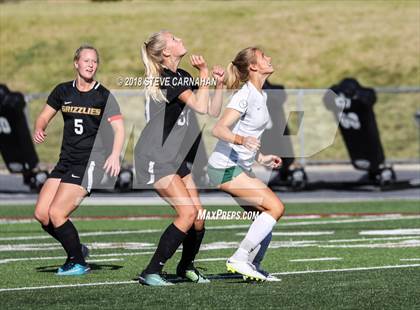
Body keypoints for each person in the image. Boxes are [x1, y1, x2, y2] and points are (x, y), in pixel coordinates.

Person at [135, 30, 224, 286]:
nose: (179, 39)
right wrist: (205, 73)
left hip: (175, 158)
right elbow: (198, 106)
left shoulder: (181, 76)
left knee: (198, 217)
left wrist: (216, 84)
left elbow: (210, 109)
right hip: (155, 156)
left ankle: (186, 267)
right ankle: (151, 271)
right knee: (186, 214)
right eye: (173, 39)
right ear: (166, 52)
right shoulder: (167, 79)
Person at [33, 45, 125, 276]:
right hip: (65, 161)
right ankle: (77, 249)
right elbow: (44, 116)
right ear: (76, 63)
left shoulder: (103, 95)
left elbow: (119, 129)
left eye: (94, 61)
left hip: (89, 162)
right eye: (86, 60)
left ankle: (77, 262)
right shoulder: (62, 91)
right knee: (42, 214)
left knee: (57, 213)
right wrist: (39, 127)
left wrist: (114, 154)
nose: (90, 64)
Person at [207, 47, 284, 281]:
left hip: (239, 165)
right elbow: (218, 129)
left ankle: (252, 265)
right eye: (263, 57)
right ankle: (239, 258)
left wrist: (261, 157)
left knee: (264, 217)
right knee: (275, 208)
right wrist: (242, 140)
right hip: (223, 167)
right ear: (253, 67)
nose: (269, 58)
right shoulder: (245, 94)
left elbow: (248, 133)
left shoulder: (262, 94)